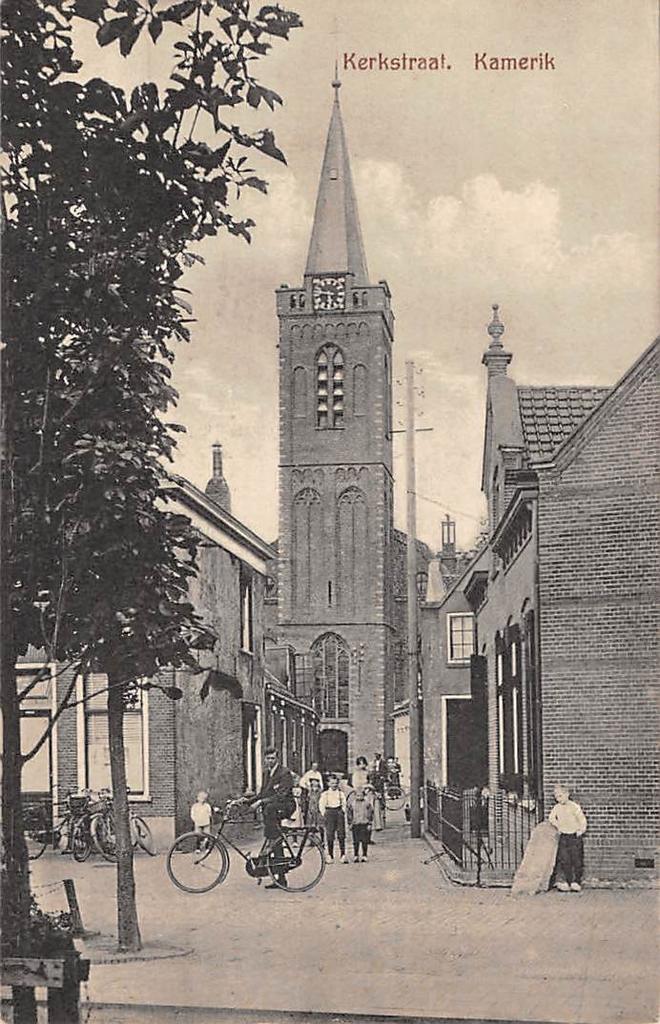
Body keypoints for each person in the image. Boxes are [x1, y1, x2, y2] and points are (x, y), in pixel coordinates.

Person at [247, 747, 295, 889]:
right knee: (274, 839)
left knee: (271, 826)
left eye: (272, 758)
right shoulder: (267, 773)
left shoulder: (284, 773)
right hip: (273, 808)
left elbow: (282, 795)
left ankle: (268, 855)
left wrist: (260, 802)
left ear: (277, 759)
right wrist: (246, 800)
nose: (270, 761)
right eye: (268, 758)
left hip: (285, 806)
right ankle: (280, 878)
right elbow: (263, 793)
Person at [548, 784, 587, 892]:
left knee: (576, 859)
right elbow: (551, 818)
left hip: (574, 836)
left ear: (567, 795)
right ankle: (567, 881)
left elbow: (582, 819)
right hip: (563, 836)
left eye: (560, 796)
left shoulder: (574, 807)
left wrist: (580, 830)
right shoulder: (557, 808)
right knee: (565, 859)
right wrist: (558, 826)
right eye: (556, 797)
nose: (558, 799)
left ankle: (576, 881)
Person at [319, 775, 348, 863]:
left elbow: (344, 803)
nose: (334, 785)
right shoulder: (325, 794)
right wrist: (325, 814)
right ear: (328, 784)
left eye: (336, 783)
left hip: (338, 812)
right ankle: (330, 855)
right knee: (330, 835)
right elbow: (321, 805)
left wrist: (342, 811)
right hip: (329, 812)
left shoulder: (340, 793)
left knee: (341, 834)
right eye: (332, 783)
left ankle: (343, 855)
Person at [346, 785, 374, 862]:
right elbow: (349, 814)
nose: (359, 797)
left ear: (364, 795)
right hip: (355, 824)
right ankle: (356, 855)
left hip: (364, 823)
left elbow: (370, 813)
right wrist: (350, 823)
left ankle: (364, 855)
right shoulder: (352, 804)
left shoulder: (367, 804)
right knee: (356, 841)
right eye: (357, 795)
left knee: (364, 841)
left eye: (361, 795)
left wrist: (370, 823)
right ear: (355, 796)